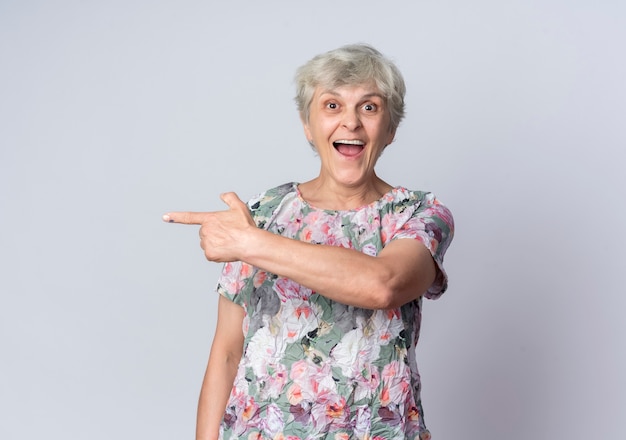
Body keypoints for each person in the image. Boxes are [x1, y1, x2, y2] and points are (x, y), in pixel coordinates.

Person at [163, 43, 454, 440]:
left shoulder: (419, 214)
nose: (350, 122)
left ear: (391, 129)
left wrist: (251, 243)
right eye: (331, 106)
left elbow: (382, 284)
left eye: (369, 107)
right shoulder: (262, 213)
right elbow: (227, 351)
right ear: (307, 125)